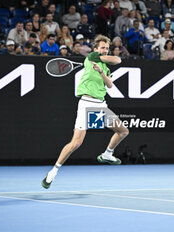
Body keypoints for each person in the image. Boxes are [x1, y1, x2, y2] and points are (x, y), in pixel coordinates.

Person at [42, 35, 129, 189]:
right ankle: (53, 172)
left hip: (101, 105)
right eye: (102, 47)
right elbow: (118, 60)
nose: (105, 50)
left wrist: (101, 72)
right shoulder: (92, 56)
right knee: (76, 143)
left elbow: (109, 85)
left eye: (106, 48)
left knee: (122, 131)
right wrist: (98, 63)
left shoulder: (105, 67)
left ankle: (107, 154)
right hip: (87, 104)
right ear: (96, 49)